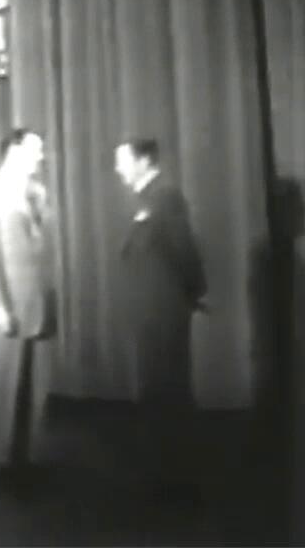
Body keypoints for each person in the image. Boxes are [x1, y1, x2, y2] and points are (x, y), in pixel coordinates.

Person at [113, 138, 207, 495]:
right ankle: (164, 471)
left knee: (167, 392)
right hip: (152, 312)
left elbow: (184, 249)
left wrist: (193, 292)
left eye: (123, 161)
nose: (118, 168)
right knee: (157, 391)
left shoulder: (164, 196)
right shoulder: (147, 198)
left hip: (163, 312)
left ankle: (173, 477)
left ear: (143, 161)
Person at [0, 128, 55, 479]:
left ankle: (30, 456)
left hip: (39, 302)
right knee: (4, 385)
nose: (41, 157)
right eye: (35, 149)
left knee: (37, 387)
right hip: (8, 305)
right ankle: (0, 461)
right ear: (14, 150)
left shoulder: (38, 192)